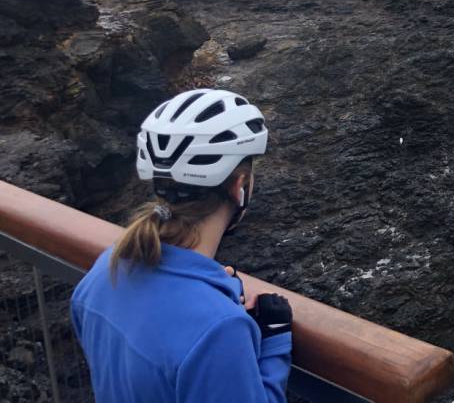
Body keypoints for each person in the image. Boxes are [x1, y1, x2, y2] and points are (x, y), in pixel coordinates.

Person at [70, 89, 293, 403]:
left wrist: (217, 294)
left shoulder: (105, 271)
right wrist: (274, 339)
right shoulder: (220, 329)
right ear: (239, 186)